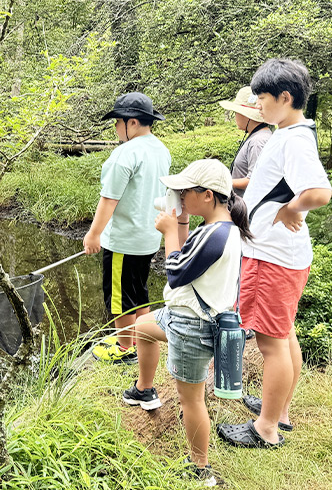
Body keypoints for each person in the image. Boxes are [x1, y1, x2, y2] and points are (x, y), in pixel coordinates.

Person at [216, 58, 332, 449]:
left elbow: (320, 192)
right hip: (278, 255)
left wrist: (290, 209)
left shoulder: (295, 139)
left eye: (261, 98)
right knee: (283, 335)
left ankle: (265, 429)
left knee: (271, 344)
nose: (257, 105)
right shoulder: (288, 132)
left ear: (285, 98)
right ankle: (278, 411)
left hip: (273, 257)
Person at [122, 159, 251, 487]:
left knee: (190, 400)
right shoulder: (221, 228)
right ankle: (144, 389)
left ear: (207, 195)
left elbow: (177, 272)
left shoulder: (216, 235)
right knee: (142, 328)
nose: (178, 195)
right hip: (182, 314)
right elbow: (187, 256)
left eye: (183, 191)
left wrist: (167, 231)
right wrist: (179, 222)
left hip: (192, 324)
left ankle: (199, 468)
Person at [83, 92, 171, 363]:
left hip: (123, 240)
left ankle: (124, 349)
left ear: (132, 123)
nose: (116, 128)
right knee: (138, 289)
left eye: (117, 122)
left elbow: (109, 199)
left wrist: (94, 234)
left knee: (120, 296)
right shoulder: (161, 149)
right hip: (148, 238)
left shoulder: (124, 154)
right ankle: (140, 337)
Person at [219, 86, 273, 197]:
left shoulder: (258, 141)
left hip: (246, 207)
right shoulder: (259, 136)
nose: (235, 117)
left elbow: (254, 180)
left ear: (246, 116)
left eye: (236, 112)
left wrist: (222, 182)